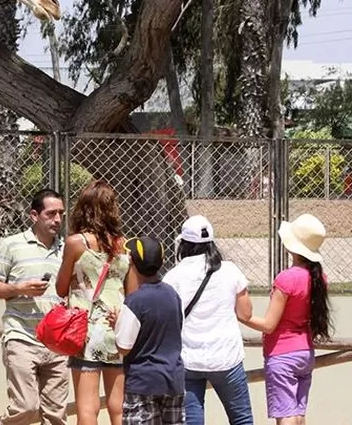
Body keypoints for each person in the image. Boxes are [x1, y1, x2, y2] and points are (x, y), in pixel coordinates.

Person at [0, 189, 70, 425]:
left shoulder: (67, 250)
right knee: (26, 407)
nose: (58, 219)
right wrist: (19, 288)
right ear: (34, 215)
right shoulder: (12, 245)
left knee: (56, 416)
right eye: (51, 213)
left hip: (57, 342)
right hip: (21, 336)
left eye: (61, 213)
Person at [162, 215, 254, 425]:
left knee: (192, 420)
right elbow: (245, 313)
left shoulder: (173, 277)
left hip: (188, 359)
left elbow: (169, 319)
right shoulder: (230, 271)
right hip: (226, 357)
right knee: (242, 419)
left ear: (183, 244)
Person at [243, 213, 332, 425]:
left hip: (282, 353)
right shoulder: (319, 278)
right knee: (298, 413)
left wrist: (242, 317)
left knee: (286, 414)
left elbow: (269, 325)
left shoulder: (287, 278)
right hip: (304, 352)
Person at [56, 180, 131, 425]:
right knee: (117, 406)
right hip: (115, 327)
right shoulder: (123, 245)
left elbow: (60, 287)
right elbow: (131, 292)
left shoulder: (76, 243)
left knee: (87, 408)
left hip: (85, 331)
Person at [114, 236, 186, 425]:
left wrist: (117, 325)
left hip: (143, 382)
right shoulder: (172, 294)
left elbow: (123, 346)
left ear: (132, 263)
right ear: (162, 261)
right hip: (173, 379)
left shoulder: (135, 301)